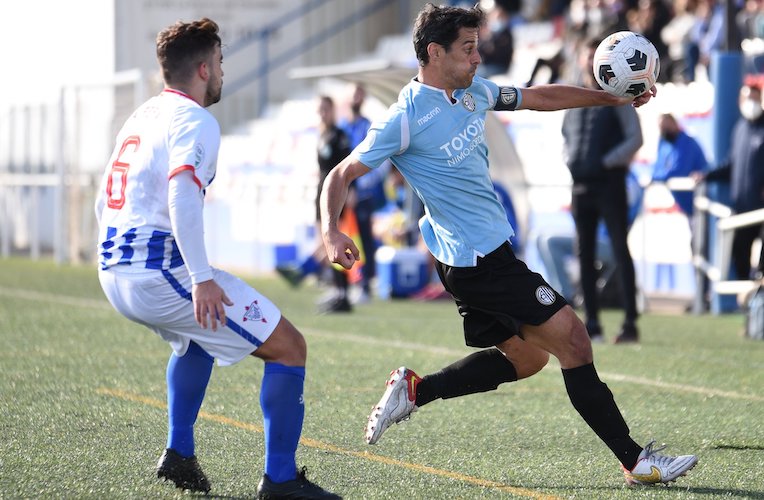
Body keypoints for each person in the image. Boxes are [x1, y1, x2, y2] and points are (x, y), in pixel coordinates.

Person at [320, 3, 697, 486]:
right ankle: (636, 460)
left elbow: (538, 96)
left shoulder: (472, 91)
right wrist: (331, 229)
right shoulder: (405, 118)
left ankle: (415, 390)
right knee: (576, 342)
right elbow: (341, 173)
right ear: (435, 53)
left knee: (528, 359)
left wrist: (610, 99)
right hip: (477, 263)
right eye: (468, 48)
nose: (479, 58)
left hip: (475, 257)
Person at [94, 18, 340, 499]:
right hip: (158, 271)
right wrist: (201, 278)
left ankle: (179, 455)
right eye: (222, 63)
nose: (224, 72)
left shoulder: (143, 115)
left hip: (115, 269)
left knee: (198, 338)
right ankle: (281, 481)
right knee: (289, 347)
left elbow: (104, 198)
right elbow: (181, 194)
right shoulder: (196, 120)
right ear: (205, 69)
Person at [561, 38, 643, 344]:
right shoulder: (574, 94)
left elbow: (635, 138)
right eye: (586, 54)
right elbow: (566, 135)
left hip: (609, 184)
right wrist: (572, 159)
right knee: (584, 253)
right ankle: (592, 323)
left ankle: (630, 322)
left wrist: (605, 162)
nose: (587, 61)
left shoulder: (616, 95)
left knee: (620, 249)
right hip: (581, 185)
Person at [277, 95, 354, 313]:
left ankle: (332, 287)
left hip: (336, 193)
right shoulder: (321, 135)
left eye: (325, 109)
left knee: (333, 241)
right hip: (321, 192)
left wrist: (351, 192)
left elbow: (346, 167)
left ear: (332, 111)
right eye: (319, 109)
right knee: (325, 241)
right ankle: (334, 290)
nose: (322, 113)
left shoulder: (340, 136)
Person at [704, 75, 764, 280]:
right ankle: (749, 307)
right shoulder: (740, 129)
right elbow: (731, 164)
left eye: (755, 99)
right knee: (739, 255)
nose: (751, 104)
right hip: (743, 208)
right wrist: (706, 175)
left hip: (762, 210)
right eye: (748, 98)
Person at [338, 83, 389, 304]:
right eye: (354, 93)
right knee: (341, 237)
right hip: (342, 195)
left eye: (360, 93)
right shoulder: (340, 129)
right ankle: (342, 284)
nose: (357, 97)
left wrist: (360, 187)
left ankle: (365, 284)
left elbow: (377, 163)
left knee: (364, 240)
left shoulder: (369, 126)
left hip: (363, 197)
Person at [651, 113, 708, 217]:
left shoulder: (687, 143)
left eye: (667, 127)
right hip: (684, 206)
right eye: (662, 128)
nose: (665, 131)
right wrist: (657, 176)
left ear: (675, 124)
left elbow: (679, 171)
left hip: (699, 203)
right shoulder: (664, 143)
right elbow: (656, 169)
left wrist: (658, 176)